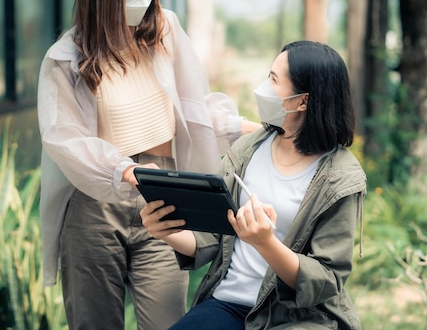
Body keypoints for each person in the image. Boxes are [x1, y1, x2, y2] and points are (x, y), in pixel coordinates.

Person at [37, 0, 260, 330]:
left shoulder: (165, 31)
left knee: (166, 321)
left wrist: (248, 128)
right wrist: (123, 170)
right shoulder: (65, 59)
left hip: (165, 196)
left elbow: (192, 110)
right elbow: (64, 138)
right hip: (94, 205)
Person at [141, 40, 366, 330]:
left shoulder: (341, 178)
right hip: (228, 303)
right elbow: (211, 237)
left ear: (303, 100)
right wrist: (166, 231)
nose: (263, 87)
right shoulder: (248, 149)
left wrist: (265, 243)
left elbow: (326, 280)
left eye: (273, 80)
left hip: (299, 316)